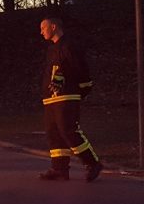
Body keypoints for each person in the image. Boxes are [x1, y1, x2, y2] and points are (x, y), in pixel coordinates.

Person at [39, 17, 103, 182]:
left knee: (68, 130)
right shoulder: (52, 49)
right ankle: (59, 169)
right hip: (51, 98)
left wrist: (83, 88)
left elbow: (80, 69)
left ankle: (92, 163)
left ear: (54, 27)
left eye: (43, 28)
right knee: (54, 133)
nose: (41, 32)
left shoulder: (69, 46)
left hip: (67, 95)